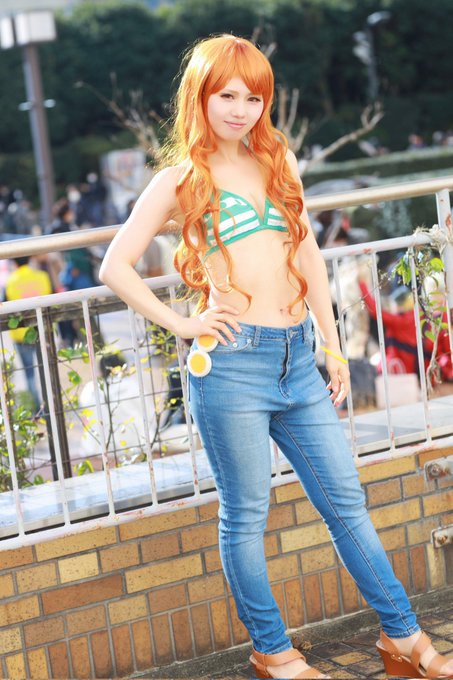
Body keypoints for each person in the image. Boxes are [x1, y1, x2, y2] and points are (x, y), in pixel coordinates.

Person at [99, 36, 453, 680]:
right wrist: (184, 323)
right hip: (231, 364)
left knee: (346, 503)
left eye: (254, 97)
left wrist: (331, 341)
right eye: (227, 96)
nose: (241, 110)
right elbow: (114, 265)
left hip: (297, 357)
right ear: (200, 98)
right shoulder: (179, 180)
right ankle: (272, 650)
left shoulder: (276, 159)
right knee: (246, 516)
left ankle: (403, 636)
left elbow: (307, 250)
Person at [5, 256, 52, 407]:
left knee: (30, 373)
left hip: (21, 334)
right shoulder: (42, 276)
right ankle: (50, 404)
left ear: (14, 262)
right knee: (46, 368)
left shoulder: (10, 281)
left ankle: (37, 407)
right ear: (29, 259)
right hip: (42, 330)